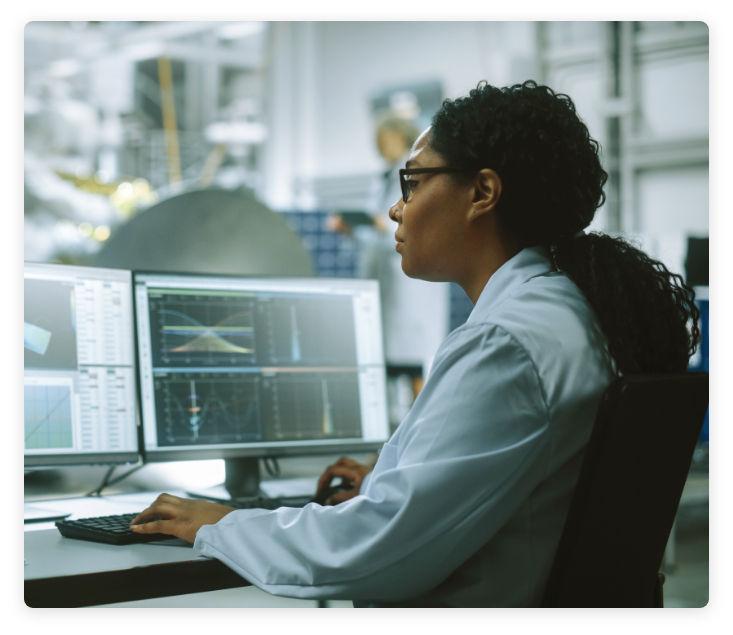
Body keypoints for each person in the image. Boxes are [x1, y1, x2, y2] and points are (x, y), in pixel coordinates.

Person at [130, 80, 700, 607]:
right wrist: (394, 479)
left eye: (414, 181)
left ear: (482, 192)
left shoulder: (508, 341)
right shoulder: (572, 310)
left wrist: (218, 523)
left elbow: (371, 551)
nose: (395, 207)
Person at [329, 115, 450, 370]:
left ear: (402, 137)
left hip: (410, 282)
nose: (382, 145)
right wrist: (352, 229)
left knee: (414, 360)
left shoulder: (418, 169)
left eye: (386, 139)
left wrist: (381, 224)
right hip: (385, 276)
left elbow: (419, 222)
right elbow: (375, 238)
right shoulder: (382, 178)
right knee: (385, 358)